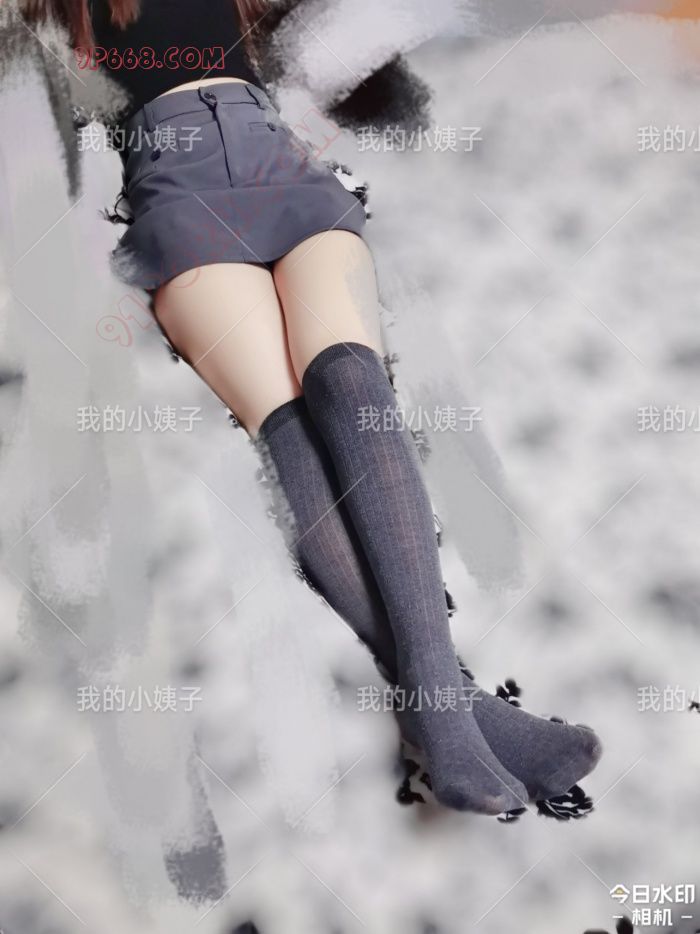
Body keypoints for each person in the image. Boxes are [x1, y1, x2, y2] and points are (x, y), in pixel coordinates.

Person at [21, 0, 602, 815]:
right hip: (179, 193)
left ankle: (444, 710)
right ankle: (454, 711)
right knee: (292, 423)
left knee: (353, 386)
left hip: (285, 171)